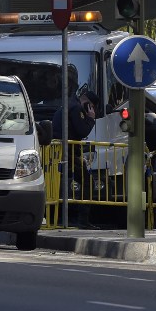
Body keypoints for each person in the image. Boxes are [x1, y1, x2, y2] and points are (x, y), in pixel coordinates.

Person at [52, 91, 100, 229]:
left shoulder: (67, 105)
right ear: (89, 105)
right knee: (87, 183)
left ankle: (59, 219)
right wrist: (91, 118)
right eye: (92, 108)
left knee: (59, 184)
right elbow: (82, 131)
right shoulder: (77, 108)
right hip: (69, 152)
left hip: (60, 151)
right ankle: (82, 221)